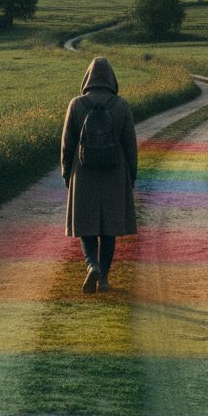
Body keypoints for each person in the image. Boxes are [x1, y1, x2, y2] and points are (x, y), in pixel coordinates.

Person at [60, 56, 138, 294]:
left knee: (87, 226)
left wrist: (66, 173)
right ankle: (103, 277)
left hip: (84, 174)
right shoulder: (122, 106)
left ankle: (91, 264)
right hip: (115, 175)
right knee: (109, 229)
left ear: (88, 78)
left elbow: (67, 144)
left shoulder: (76, 105)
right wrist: (131, 177)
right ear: (111, 79)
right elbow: (130, 146)